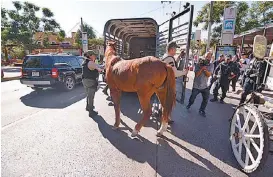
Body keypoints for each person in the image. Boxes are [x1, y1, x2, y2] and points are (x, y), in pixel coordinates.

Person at [152, 41, 188, 123]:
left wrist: (179, 57)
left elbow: (172, 64)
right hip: (167, 84)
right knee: (168, 103)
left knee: (163, 102)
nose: (176, 51)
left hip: (162, 83)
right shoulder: (169, 58)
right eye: (175, 50)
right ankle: (166, 118)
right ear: (171, 49)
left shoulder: (165, 56)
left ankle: (165, 116)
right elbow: (174, 73)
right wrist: (184, 72)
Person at [186, 52, 214, 117]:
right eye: (207, 56)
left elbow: (209, 75)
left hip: (205, 86)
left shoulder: (211, 65)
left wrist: (205, 69)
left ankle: (202, 110)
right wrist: (201, 68)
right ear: (204, 56)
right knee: (192, 98)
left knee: (205, 99)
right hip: (196, 85)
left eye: (209, 57)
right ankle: (189, 104)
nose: (208, 58)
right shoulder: (198, 64)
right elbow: (196, 75)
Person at [82, 50, 104, 117]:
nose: (95, 57)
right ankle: (91, 112)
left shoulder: (85, 62)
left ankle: (88, 107)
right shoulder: (91, 62)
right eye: (94, 55)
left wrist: (102, 65)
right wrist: (104, 67)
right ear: (90, 56)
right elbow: (100, 69)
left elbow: (98, 65)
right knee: (91, 96)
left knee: (88, 95)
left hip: (85, 80)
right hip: (90, 81)